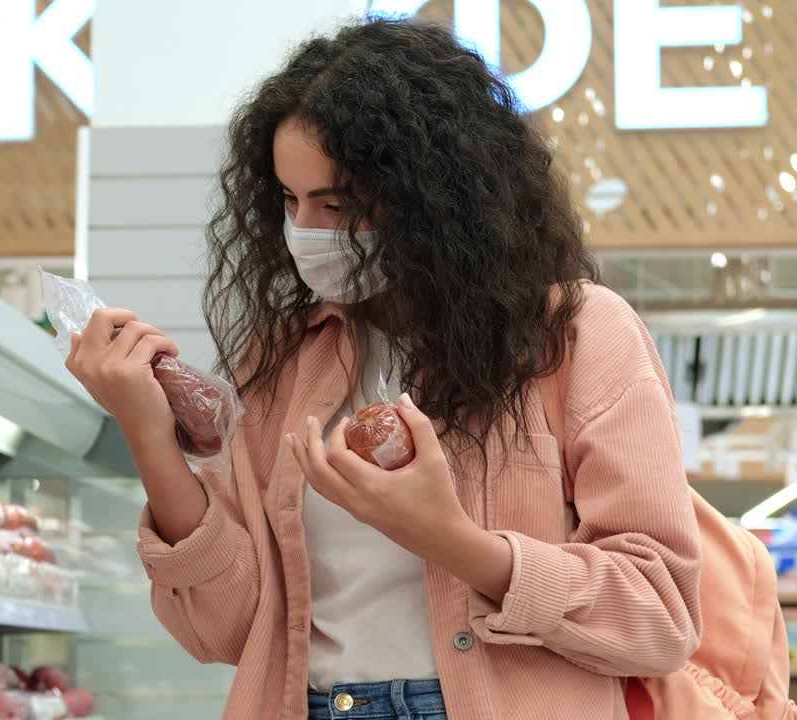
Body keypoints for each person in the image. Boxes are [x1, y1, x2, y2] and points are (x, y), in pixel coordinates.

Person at [64, 16, 700, 720]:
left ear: (437, 199)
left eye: (336, 204)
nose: (305, 229)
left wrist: (454, 543)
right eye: (288, 200)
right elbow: (227, 631)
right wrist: (149, 435)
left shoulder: (575, 335)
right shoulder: (280, 361)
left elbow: (661, 614)